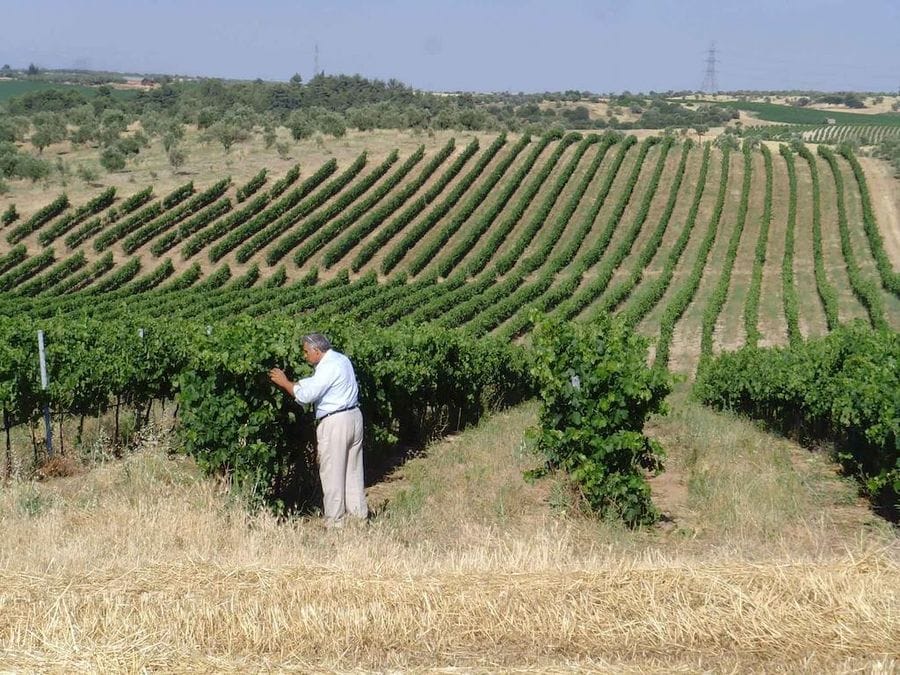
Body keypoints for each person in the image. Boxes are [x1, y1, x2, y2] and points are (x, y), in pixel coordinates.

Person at [269, 333, 367, 527]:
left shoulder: (328, 366)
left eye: (306, 352)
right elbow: (315, 384)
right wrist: (295, 384)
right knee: (353, 472)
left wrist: (285, 383)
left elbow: (307, 395)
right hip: (353, 416)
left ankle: (335, 525)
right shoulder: (341, 359)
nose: (305, 356)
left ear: (316, 350)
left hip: (335, 423)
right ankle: (359, 521)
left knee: (332, 475)